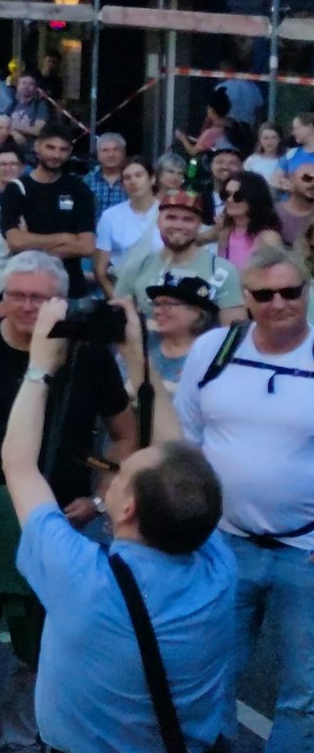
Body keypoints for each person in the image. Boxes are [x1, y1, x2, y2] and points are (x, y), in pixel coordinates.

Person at [6, 297, 238, 753]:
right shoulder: (218, 567)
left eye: (123, 471)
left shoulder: (84, 580)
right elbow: (183, 464)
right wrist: (138, 353)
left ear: (127, 508)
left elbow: (17, 463)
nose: (116, 467)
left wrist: (39, 368)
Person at [0, 251, 137, 753]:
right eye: (15, 295)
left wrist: (98, 499)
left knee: (46, 650)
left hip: (63, 520)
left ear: (59, 302)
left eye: (37, 297)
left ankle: (24, 740)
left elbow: (125, 434)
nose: (24, 306)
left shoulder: (87, 355)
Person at [172, 243, 314, 752]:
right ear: (246, 297)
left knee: (306, 692)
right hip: (224, 545)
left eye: (290, 292)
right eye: (264, 294)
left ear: (306, 291)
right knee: (211, 677)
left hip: (305, 553)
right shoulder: (214, 350)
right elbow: (186, 439)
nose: (278, 303)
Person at [113, 190, 244, 319]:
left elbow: (234, 333)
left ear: (199, 225)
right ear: (159, 222)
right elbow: (117, 323)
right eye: (171, 217)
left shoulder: (222, 271)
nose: (178, 225)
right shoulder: (137, 269)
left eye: (188, 219)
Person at [0, 125, 97, 295]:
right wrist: (65, 237)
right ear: (37, 146)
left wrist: (31, 245)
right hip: (28, 289)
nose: (56, 155)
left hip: (71, 289)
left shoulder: (79, 190)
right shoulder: (16, 189)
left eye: (63, 150)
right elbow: (15, 242)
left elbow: (87, 246)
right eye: (50, 147)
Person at [94, 157, 160, 296]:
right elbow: (101, 269)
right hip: (124, 291)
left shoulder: (168, 213)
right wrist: (118, 301)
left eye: (139, 175)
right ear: (122, 184)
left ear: (152, 179)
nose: (133, 181)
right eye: (127, 177)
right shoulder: (110, 216)